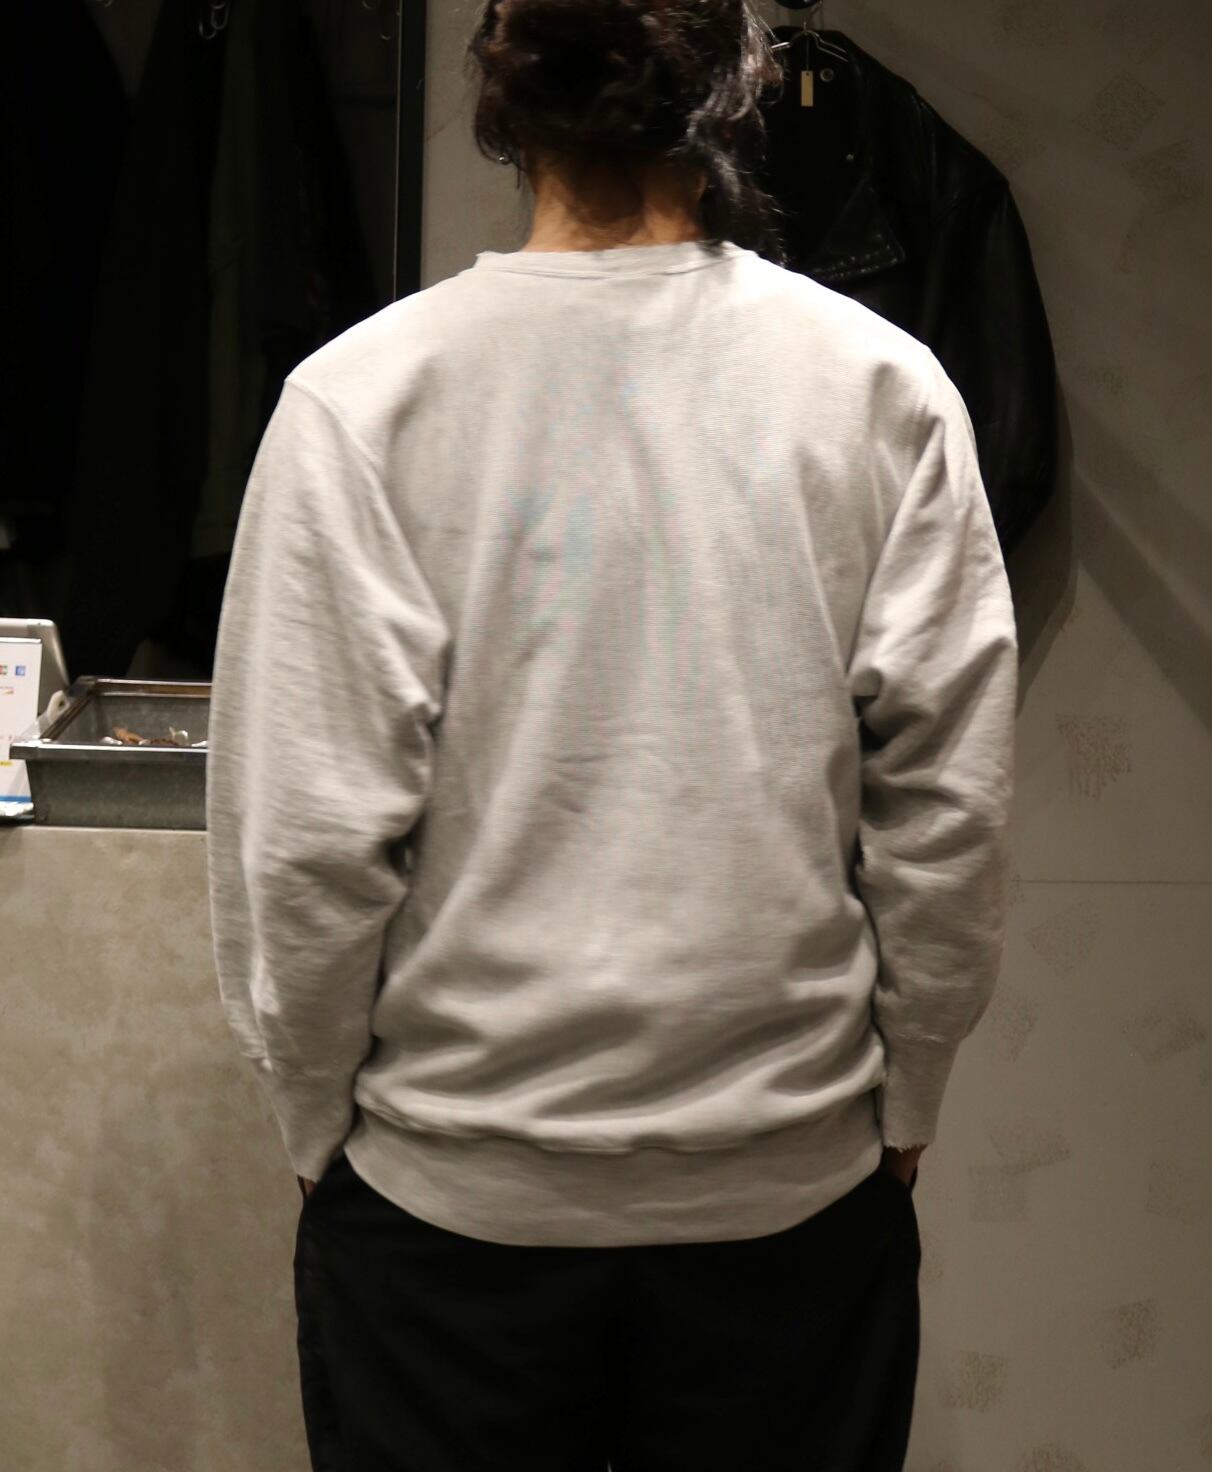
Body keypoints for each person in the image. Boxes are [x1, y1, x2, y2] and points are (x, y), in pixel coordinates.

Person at [206, 2, 1017, 1468]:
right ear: (739, 83)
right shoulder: (880, 388)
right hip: (788, 1214)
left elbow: (307, 844)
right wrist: (911, 1090)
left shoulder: (362, 401)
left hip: (451, 1224)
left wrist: (315, 1121)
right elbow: (945, 813)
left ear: (502, 93)